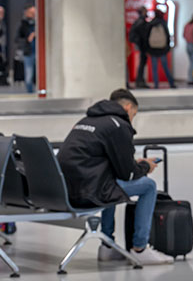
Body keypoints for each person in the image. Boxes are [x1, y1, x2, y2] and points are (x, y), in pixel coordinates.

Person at [57, 89, 169, 265]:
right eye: (134, 114)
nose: (132, 120)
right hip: (87, 192)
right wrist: (146, 166)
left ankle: (107, 247)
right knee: (148, 186)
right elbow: (128, 174)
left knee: (110, 181)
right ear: (128, 107)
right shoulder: (117, 125)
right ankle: (140, 248)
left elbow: (102, 161)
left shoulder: (87, 121)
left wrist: (134, 164)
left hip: (65, 188)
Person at [132, 8, 174, 89]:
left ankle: (156, 85)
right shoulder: (163, 23)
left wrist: (147, 48)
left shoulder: (150, 24)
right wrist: (167, 47)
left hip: (153, 49)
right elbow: (168, 36)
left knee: (154, 69)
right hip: (162, 49)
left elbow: (146, 37)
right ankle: (171, 83)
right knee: (165, 67)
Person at [16, 5, 37, 94]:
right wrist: (29, 38)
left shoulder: (38, 23)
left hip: (39, 53)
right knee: (29, 76)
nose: (34, 14)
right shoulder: (23, 25)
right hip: (29, 52)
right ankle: (30, 93)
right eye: (32, 12)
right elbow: (17, 39)